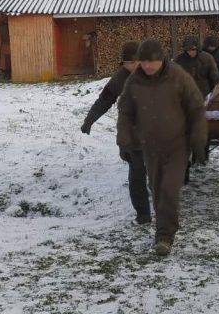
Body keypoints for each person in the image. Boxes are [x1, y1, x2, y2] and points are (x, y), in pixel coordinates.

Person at [117, 39, 207, 256]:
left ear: (162, 59)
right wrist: (124, 141)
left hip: (177, 145)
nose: (148, 66)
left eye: (152, 62)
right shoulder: (134, 81)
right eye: (144, 61)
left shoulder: (178, 77)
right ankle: (165, 227)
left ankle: (165, 237)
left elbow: (196, 109)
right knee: (157, 190)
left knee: (169, 189)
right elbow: (125, 112)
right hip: (150, 146)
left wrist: (198, 142)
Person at [80, 40, 151, 225]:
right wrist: (90, 120)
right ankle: (143, 215)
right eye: (127, 64)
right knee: (136, 175)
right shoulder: (120, 78)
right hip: (131, 135)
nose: (130, 67)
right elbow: (104, 100)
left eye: (133, 63)